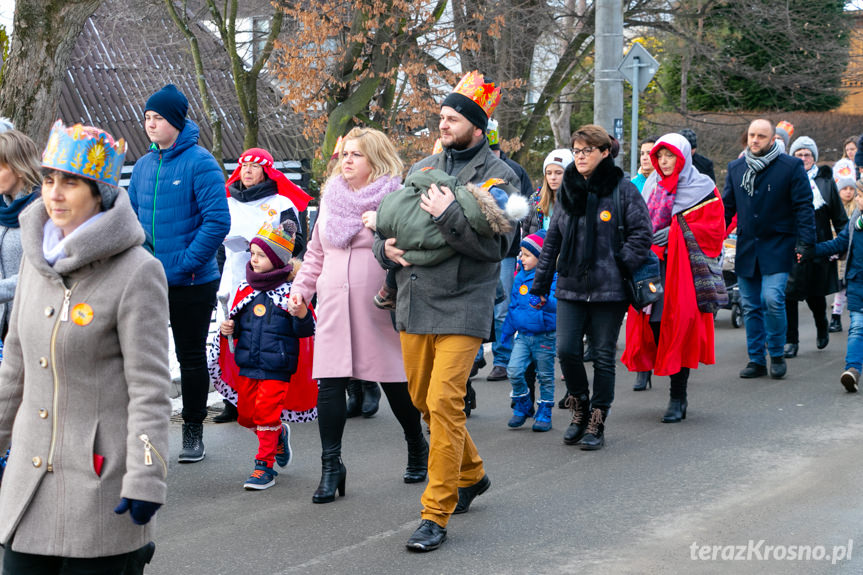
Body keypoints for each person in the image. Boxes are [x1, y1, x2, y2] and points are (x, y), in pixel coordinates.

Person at [0, 120, 170, 573]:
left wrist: (147, 475)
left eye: (71, 182)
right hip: (27, 491)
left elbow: (150, 390)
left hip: (100, 491)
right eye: (50, 178)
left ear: (100, 193)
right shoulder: (36, 261)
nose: (54, 193)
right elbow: (14, 368)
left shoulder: (138, 272)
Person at [374, 70, 519, 552]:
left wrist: (449, 215)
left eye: (453, 118)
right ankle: (473, 473)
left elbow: (500, 245)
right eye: (441, 116)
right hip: (414, 299)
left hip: (464, 303)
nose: (443, 124)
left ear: (477, 127)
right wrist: (385, 251)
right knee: (422, 400)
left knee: (444, 403)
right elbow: (389, 226)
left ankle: (435, 512)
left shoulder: (503, 176)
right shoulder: (421, 166)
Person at [288, 127, 427, 504]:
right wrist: (301, 291)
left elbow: (411, 249)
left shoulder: (395, 200)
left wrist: (378, 225)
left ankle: (417, 445)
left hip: (379, 306)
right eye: (345, 154)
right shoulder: (329, 200)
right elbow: (316, 254)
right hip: (333, 305)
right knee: (330, 385)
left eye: (356, 155)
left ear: (375, 161)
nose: (346, 161)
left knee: (394, 382)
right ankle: (331, 468)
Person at [531, 123, 652, 450]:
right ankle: (580, 407)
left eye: (587, 151)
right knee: (567, 349)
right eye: (577, 150)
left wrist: (618, 262)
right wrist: (540, 285)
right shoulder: (568, 187)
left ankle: (597, 419)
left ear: (603, 152)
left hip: (609, 290)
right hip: (570, 284)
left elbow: (643, 234)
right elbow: (552, 240)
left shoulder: (623, 189)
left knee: (601, 356)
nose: (580, 157)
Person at [128, 84, 230, 463]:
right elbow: (132, 220)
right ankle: (146, 432)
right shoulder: (143, 166)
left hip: (191, 280)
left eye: (157, 118)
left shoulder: (200, 162)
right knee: (145, 359)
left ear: (175, 120)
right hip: (149, 280)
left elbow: (217, 221)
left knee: (189, 357)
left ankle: (192, 429)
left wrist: (185, 263)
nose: (150, 124)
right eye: (147, 118)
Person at [621, 133, 725, 422]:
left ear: (683, 157)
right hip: (651, 266)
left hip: (684, 270)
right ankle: (655, 374)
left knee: (679, 326)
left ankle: (678, 396)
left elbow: (715, 230)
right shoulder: (651, 185)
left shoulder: (704, 187)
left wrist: (678, 231)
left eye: (670, 156)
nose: (664, 162)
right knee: (653, 325)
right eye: (660, 156)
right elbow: (636, 221)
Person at [213, 147, 312, 424]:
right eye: (243, 165)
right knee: (233, 335)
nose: (247, 171)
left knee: (267, 337)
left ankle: (274, 397)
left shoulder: (281, 204)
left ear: (266, 171)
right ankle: (231, 399)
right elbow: (219, 244)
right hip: (234, 277)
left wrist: (266, 245)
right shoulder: (227, 202)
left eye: (254, 167)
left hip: (271, 281)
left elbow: (297, 241)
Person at [217, 221, 315, 490]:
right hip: (248, 364)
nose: (254, 259)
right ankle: (279, 436)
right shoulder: (245, 290)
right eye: (252, 254)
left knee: (266, 414)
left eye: (261, 255)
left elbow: (306, 330)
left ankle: (264, 466)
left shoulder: (291, 293)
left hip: (278, 366)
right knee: (247, 416)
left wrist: (302, 314)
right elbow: (237, 327)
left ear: (275, 259)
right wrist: (230, 328)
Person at [723, 119, 816, 379]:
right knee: (750, 305)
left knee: (772, 300)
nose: (755, 140)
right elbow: (726, 207)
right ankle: (756, 360)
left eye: (761, 136)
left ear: (773, 139)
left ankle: (776, 353)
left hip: (778, 245)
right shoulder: (736, 167)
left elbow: (803, 206)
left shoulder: (790, 166)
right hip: (746, 248)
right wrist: (710, 236)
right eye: (752, 135)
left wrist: (805, 242)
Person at [783, 137, 847, 358]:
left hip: (818, 245)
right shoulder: (786, 180)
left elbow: (839, 217)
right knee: (788, 294)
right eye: (798, 154)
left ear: (814, 157)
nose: (803, 158)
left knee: (814, 294)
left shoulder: (826, 183)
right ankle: (791, 340)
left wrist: (846, 243)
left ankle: (821, 323)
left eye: (807, 154)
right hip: (791, 245)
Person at [482, 119, 534, 382]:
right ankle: (475, 355)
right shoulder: (469, 170)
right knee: (476, 302)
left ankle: (502, 359)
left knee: (501, 307)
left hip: (506, 250)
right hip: (474, 249)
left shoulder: (513, 171)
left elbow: (525, 208)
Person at [502, 230, 558, 431]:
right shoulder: (519, 277)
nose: (521, 258)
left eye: (527, 255)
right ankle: (523, 403)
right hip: (523, 336)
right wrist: (506, 332)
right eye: (521, 254)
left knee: (545, 376)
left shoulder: (551, 276)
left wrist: (544, 301)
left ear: (541, 257)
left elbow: (557, 304)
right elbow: (513, 306)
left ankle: (545, 411)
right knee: (514, 370)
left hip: (544, 336)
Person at [815, 187, 863, 393]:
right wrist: (810, 249)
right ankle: (852, 370)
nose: (858, 199)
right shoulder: (855, 219)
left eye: (861, 195)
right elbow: (840, 242)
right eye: (859, 195)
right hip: (857, 280)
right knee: (857, 327)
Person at [0, 131, 41, 340]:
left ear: (19, 168)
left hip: (32, 323)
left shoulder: (44, 210)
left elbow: (39, 272)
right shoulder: (1, 207)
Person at [829, 159, 858, 333]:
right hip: (841, 254)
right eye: (844, 189)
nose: (848, 192)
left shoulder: (857, 208)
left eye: (851, 189)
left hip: (855, 253)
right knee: (840, 287)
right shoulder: (835, 209)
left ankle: (855, 317)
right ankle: (836, 316)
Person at [526, 149, 574, 234]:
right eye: (548, 173)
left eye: (558, 173)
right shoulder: (535, 200)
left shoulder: (577, 201)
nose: (553, 177)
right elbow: (526, 232)